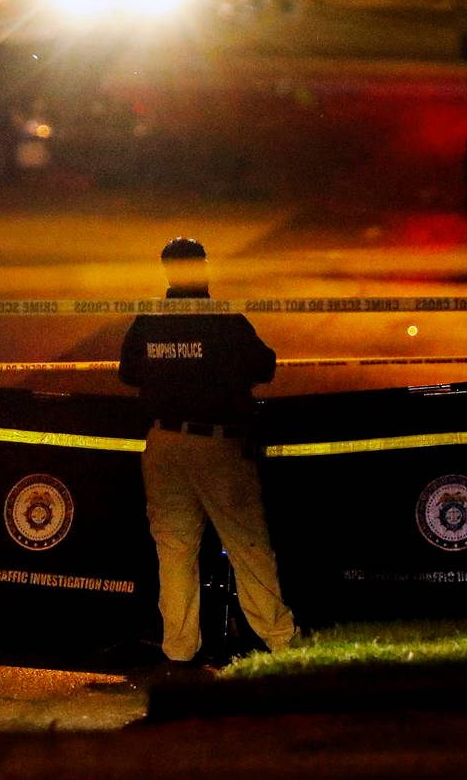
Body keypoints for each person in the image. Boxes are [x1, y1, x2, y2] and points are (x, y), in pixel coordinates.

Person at [119, 237, 296, 669]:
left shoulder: (150, 318)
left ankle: (178, 651)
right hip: (216, 447)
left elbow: (128, 372)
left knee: (175, 552)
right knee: (247, 546)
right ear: (202, 267)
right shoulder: (221, 319)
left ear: (166, 270)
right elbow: (264, 365)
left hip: (163, 445)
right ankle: (282, 642)